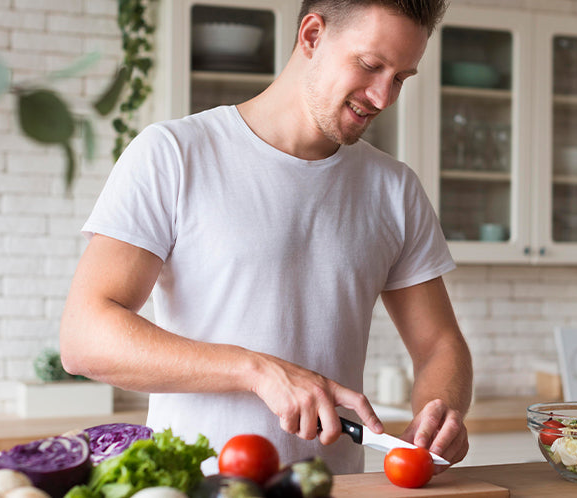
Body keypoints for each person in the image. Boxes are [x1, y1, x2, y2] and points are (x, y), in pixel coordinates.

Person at [59, 0, 472, 475]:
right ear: (312, 35)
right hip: (198, 483)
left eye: (400, 77)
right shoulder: (174, 154)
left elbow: (440, 344)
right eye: (370, 65)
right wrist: (256, 370)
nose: (382, 97)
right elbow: (85, 338)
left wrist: (438, 414)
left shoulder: (394, 189)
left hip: (335, 487)